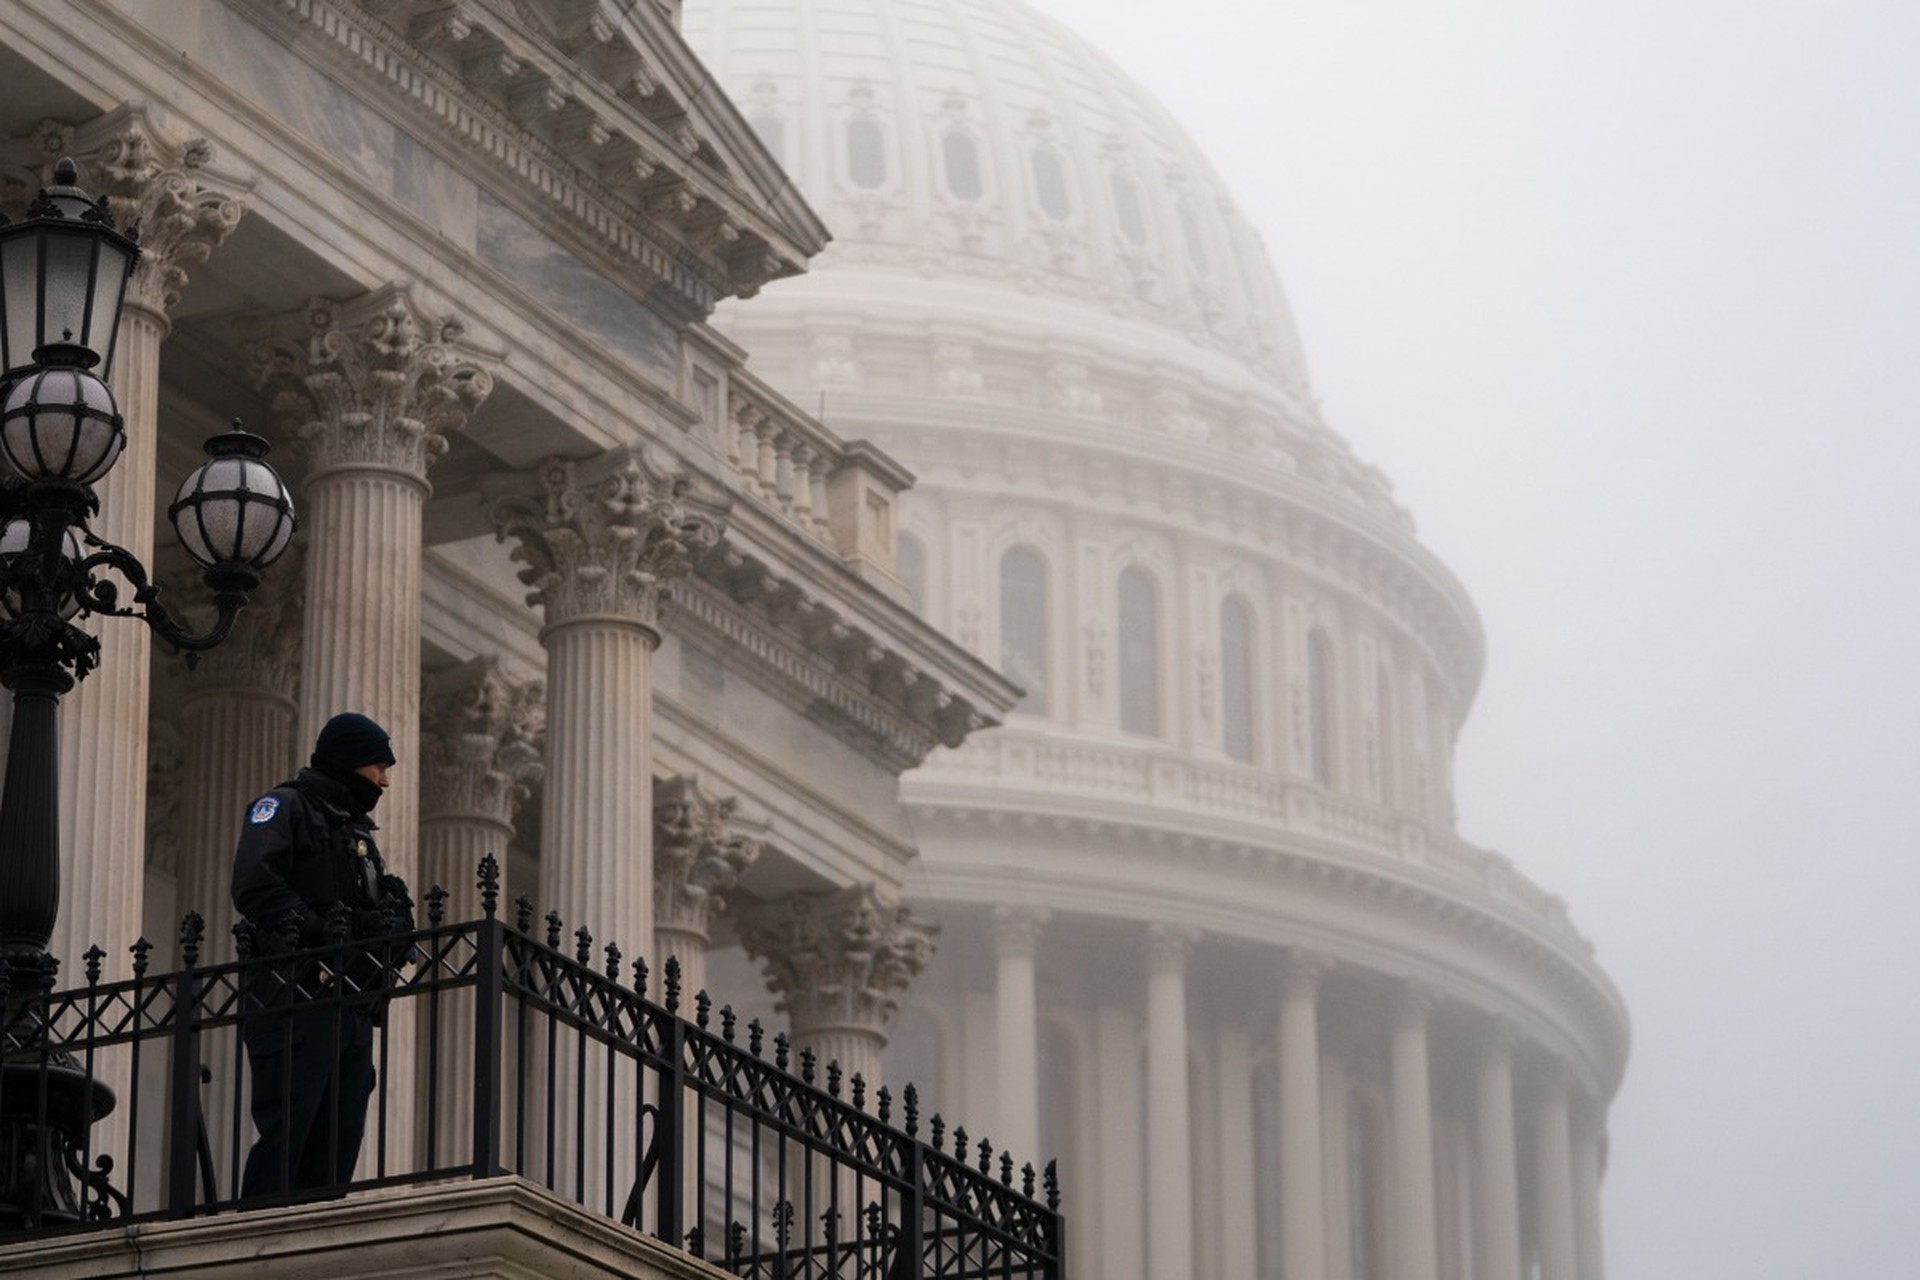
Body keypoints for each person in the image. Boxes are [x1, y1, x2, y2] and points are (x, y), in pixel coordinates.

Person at [231, 711, 415, 1198]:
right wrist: (323, 933)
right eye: (379, 767)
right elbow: (255, 886)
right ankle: (261, 1234)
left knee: (338, 1148)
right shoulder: (282, 806)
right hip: (295, 996)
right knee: (288, 1136)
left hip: (352, 1006)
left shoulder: (357, 834)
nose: (385, 782)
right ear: (350, 760)